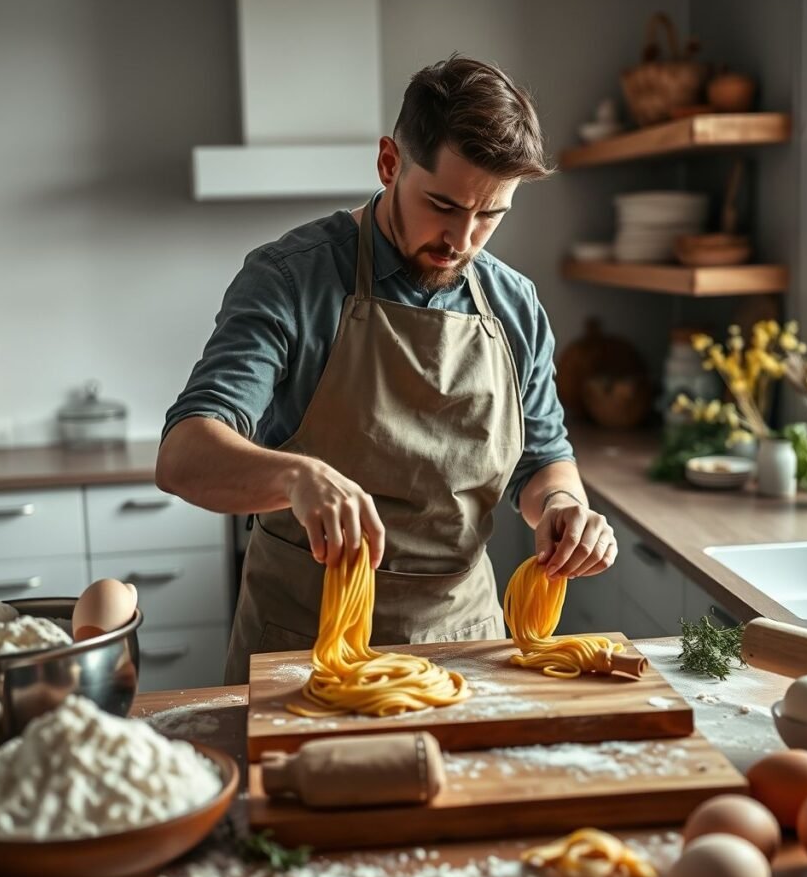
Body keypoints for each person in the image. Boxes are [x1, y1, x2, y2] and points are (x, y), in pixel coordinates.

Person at [157, 55, 617, 684]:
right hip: (303, 644)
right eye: (443, 205)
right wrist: (295, 477)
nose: (463, 239)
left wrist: (564, 506)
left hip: (466, 644)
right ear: (389, 163)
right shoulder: (292, 279)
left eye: (490, 215)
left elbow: (542, 460)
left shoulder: (515, 304)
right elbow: (183, 456)